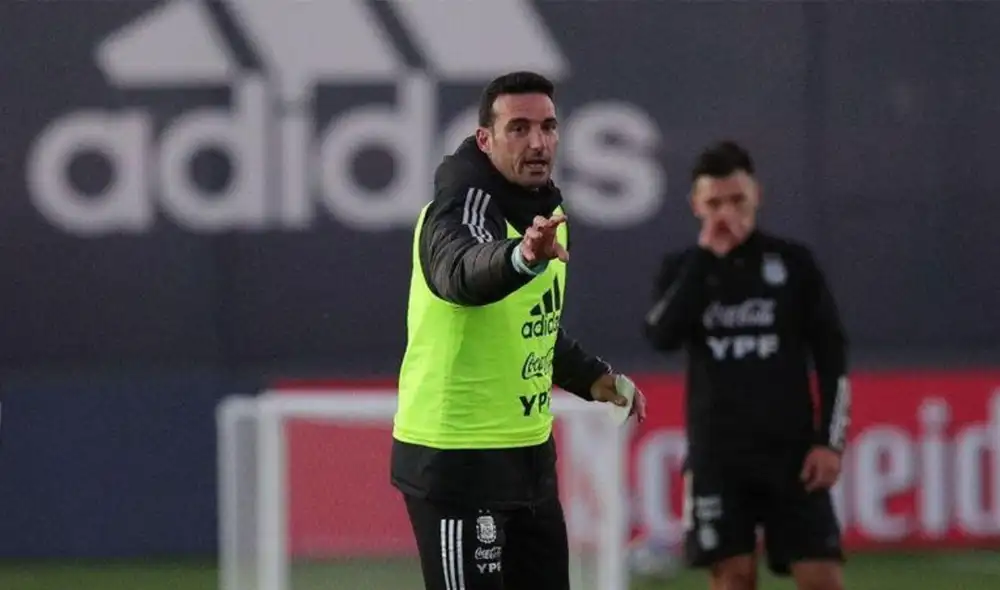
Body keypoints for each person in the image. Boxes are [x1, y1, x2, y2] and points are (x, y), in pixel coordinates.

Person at [391, 71, 647, 590]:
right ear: (485, 140)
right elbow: (461, 274)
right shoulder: (453, 210)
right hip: (457, 461)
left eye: (549, 127)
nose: (538, 142)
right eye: (519, 128)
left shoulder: (546, 217)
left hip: (529, 458)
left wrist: (593, 378)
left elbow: (533, 328)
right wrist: (520, 257)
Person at [643, 141, 850, 590]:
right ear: (696, 206)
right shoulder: (683, 268)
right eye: (714, 202)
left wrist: (829, 443)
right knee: (733, 578)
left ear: (757, 195)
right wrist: (704, 261)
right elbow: (660, 335)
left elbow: (832, 355)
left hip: (793, 454)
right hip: (718, 458)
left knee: (822, 577)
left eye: (737, 199)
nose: (727, 213)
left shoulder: (793, 264)